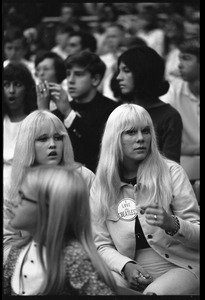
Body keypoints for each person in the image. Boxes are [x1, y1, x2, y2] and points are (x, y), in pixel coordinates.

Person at [90, 103, 200, 295]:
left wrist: (172, 224)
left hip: (179, 265)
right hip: (128, 267)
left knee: (154, 294)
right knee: (102, 290)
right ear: (114, 137)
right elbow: (100, 245)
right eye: (131, 132)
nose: (141, 138)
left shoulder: (171, 172)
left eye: (146, 131)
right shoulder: (101, 185)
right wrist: (126, 266)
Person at [3, 165, 117, 295]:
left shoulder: (73, 258)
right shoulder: (17, 251)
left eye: (22, 197)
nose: (13, 202)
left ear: (48, 210)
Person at [4, 110, 95, 244]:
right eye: (43, 139)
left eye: (58, 138)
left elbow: (98, 233)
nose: (52, 144)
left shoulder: (84, 177)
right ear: (27, 143)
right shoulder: (10, 184)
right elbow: (7, 240)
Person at [37, 51, 119, 172]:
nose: (70, 80)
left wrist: (69, 113)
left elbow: (98, 149)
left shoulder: (112, 110)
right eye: (68, 74)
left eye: (78, 74)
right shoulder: (61, 110)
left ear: (95, 79)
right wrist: (43, 110)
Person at [116, 45, 183, 163]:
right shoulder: (121, 111)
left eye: (126, 71)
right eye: (119, 71)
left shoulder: (169, 116)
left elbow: (171, 167)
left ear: (142, 72)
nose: (119, 77)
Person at [160, 37, 200, 200]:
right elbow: (161, 134)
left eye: (187, 58)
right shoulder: (173, 90)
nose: (179, 65)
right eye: (179, 58)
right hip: (183, 166)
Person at [3, 62, 37, 201]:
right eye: (6, 85)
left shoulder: (33, 121)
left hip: (27, 188)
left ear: (27, 89)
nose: (11, 90)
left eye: (17, 85)